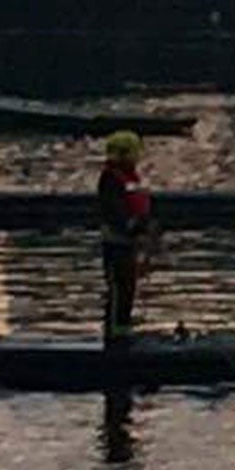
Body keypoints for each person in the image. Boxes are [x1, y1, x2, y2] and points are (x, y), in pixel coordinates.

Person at [97, 130, 156, 345]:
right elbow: (114, 211)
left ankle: (124, 326)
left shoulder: (131, 177)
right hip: (115, 243)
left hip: (130, 242)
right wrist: (130, 226)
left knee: (129, 286)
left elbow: (138, 204)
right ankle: (114, 332)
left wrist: (146, 226)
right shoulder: (110, 179)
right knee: (118, 286)